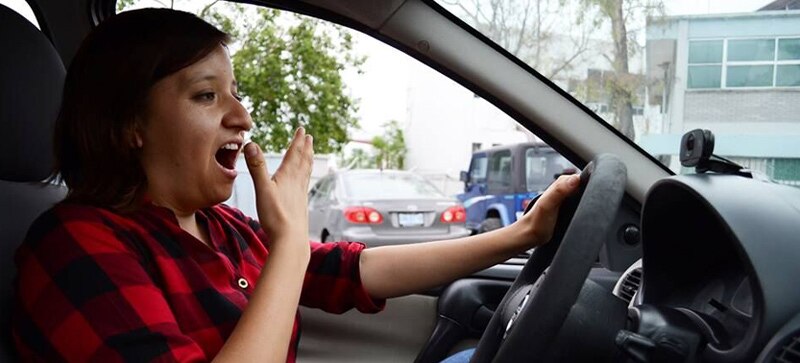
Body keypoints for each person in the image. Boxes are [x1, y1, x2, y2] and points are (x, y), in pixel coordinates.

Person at [11, 8, 581, 363]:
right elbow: (297, 265)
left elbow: (347, 271)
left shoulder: (219, 226)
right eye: (207, 95)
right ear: (130, 124)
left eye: (235, 93)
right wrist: (287, 244)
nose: (242, 117)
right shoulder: (76, 246)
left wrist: (519, 236)